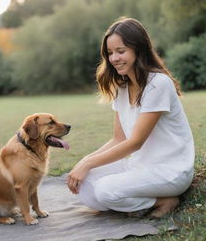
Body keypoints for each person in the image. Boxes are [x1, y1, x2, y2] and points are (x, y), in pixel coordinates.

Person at [67, 17, 194, 217]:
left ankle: (164, 200)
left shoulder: (158, 84)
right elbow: (119, 138)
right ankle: (133, 201)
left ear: (138, 49)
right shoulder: (122, 88)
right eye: (110, 53)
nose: (114, 58)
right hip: (139, 165)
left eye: (121, 51)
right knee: (83, 184)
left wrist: (88, 163)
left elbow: (135, 142)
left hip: (170, 170)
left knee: (104, 191)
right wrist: (85, 161)